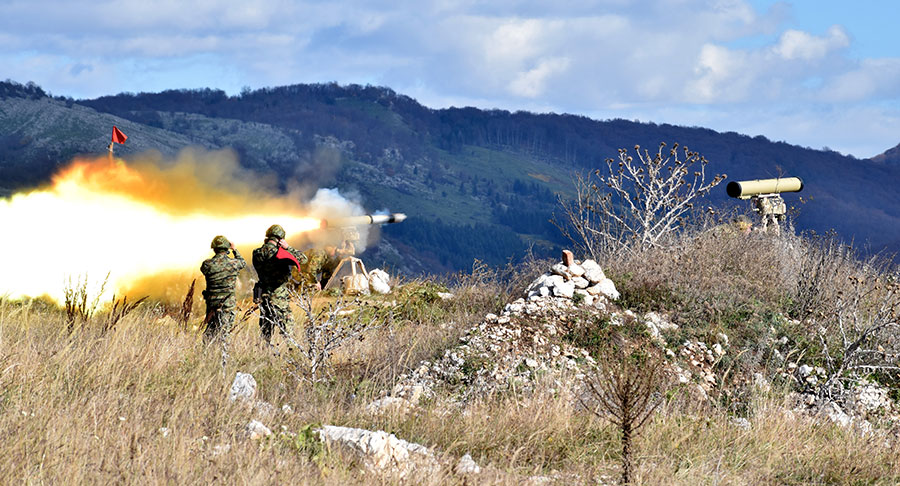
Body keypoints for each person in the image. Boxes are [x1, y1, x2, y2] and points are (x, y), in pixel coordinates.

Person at [252, 224, 308, 344]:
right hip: (278, 294)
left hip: (263, 293)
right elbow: (303, 259)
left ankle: (264, 351)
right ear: (280, 239)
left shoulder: (256, 253)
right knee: (287, 324)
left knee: (266, 327)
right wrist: (288, 247)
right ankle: (290, 349)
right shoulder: (280, 253)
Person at [200, 235, 246, 341]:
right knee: (224, 332)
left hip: (212, 303)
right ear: (227, 249)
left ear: (214, 249)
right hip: (227, 303)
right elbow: (242, 262)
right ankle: (223, 355)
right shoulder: (234, 263)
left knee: (211, 329)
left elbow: (204, 270)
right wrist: (234, 249)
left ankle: (208, 352)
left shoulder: (207, 264)